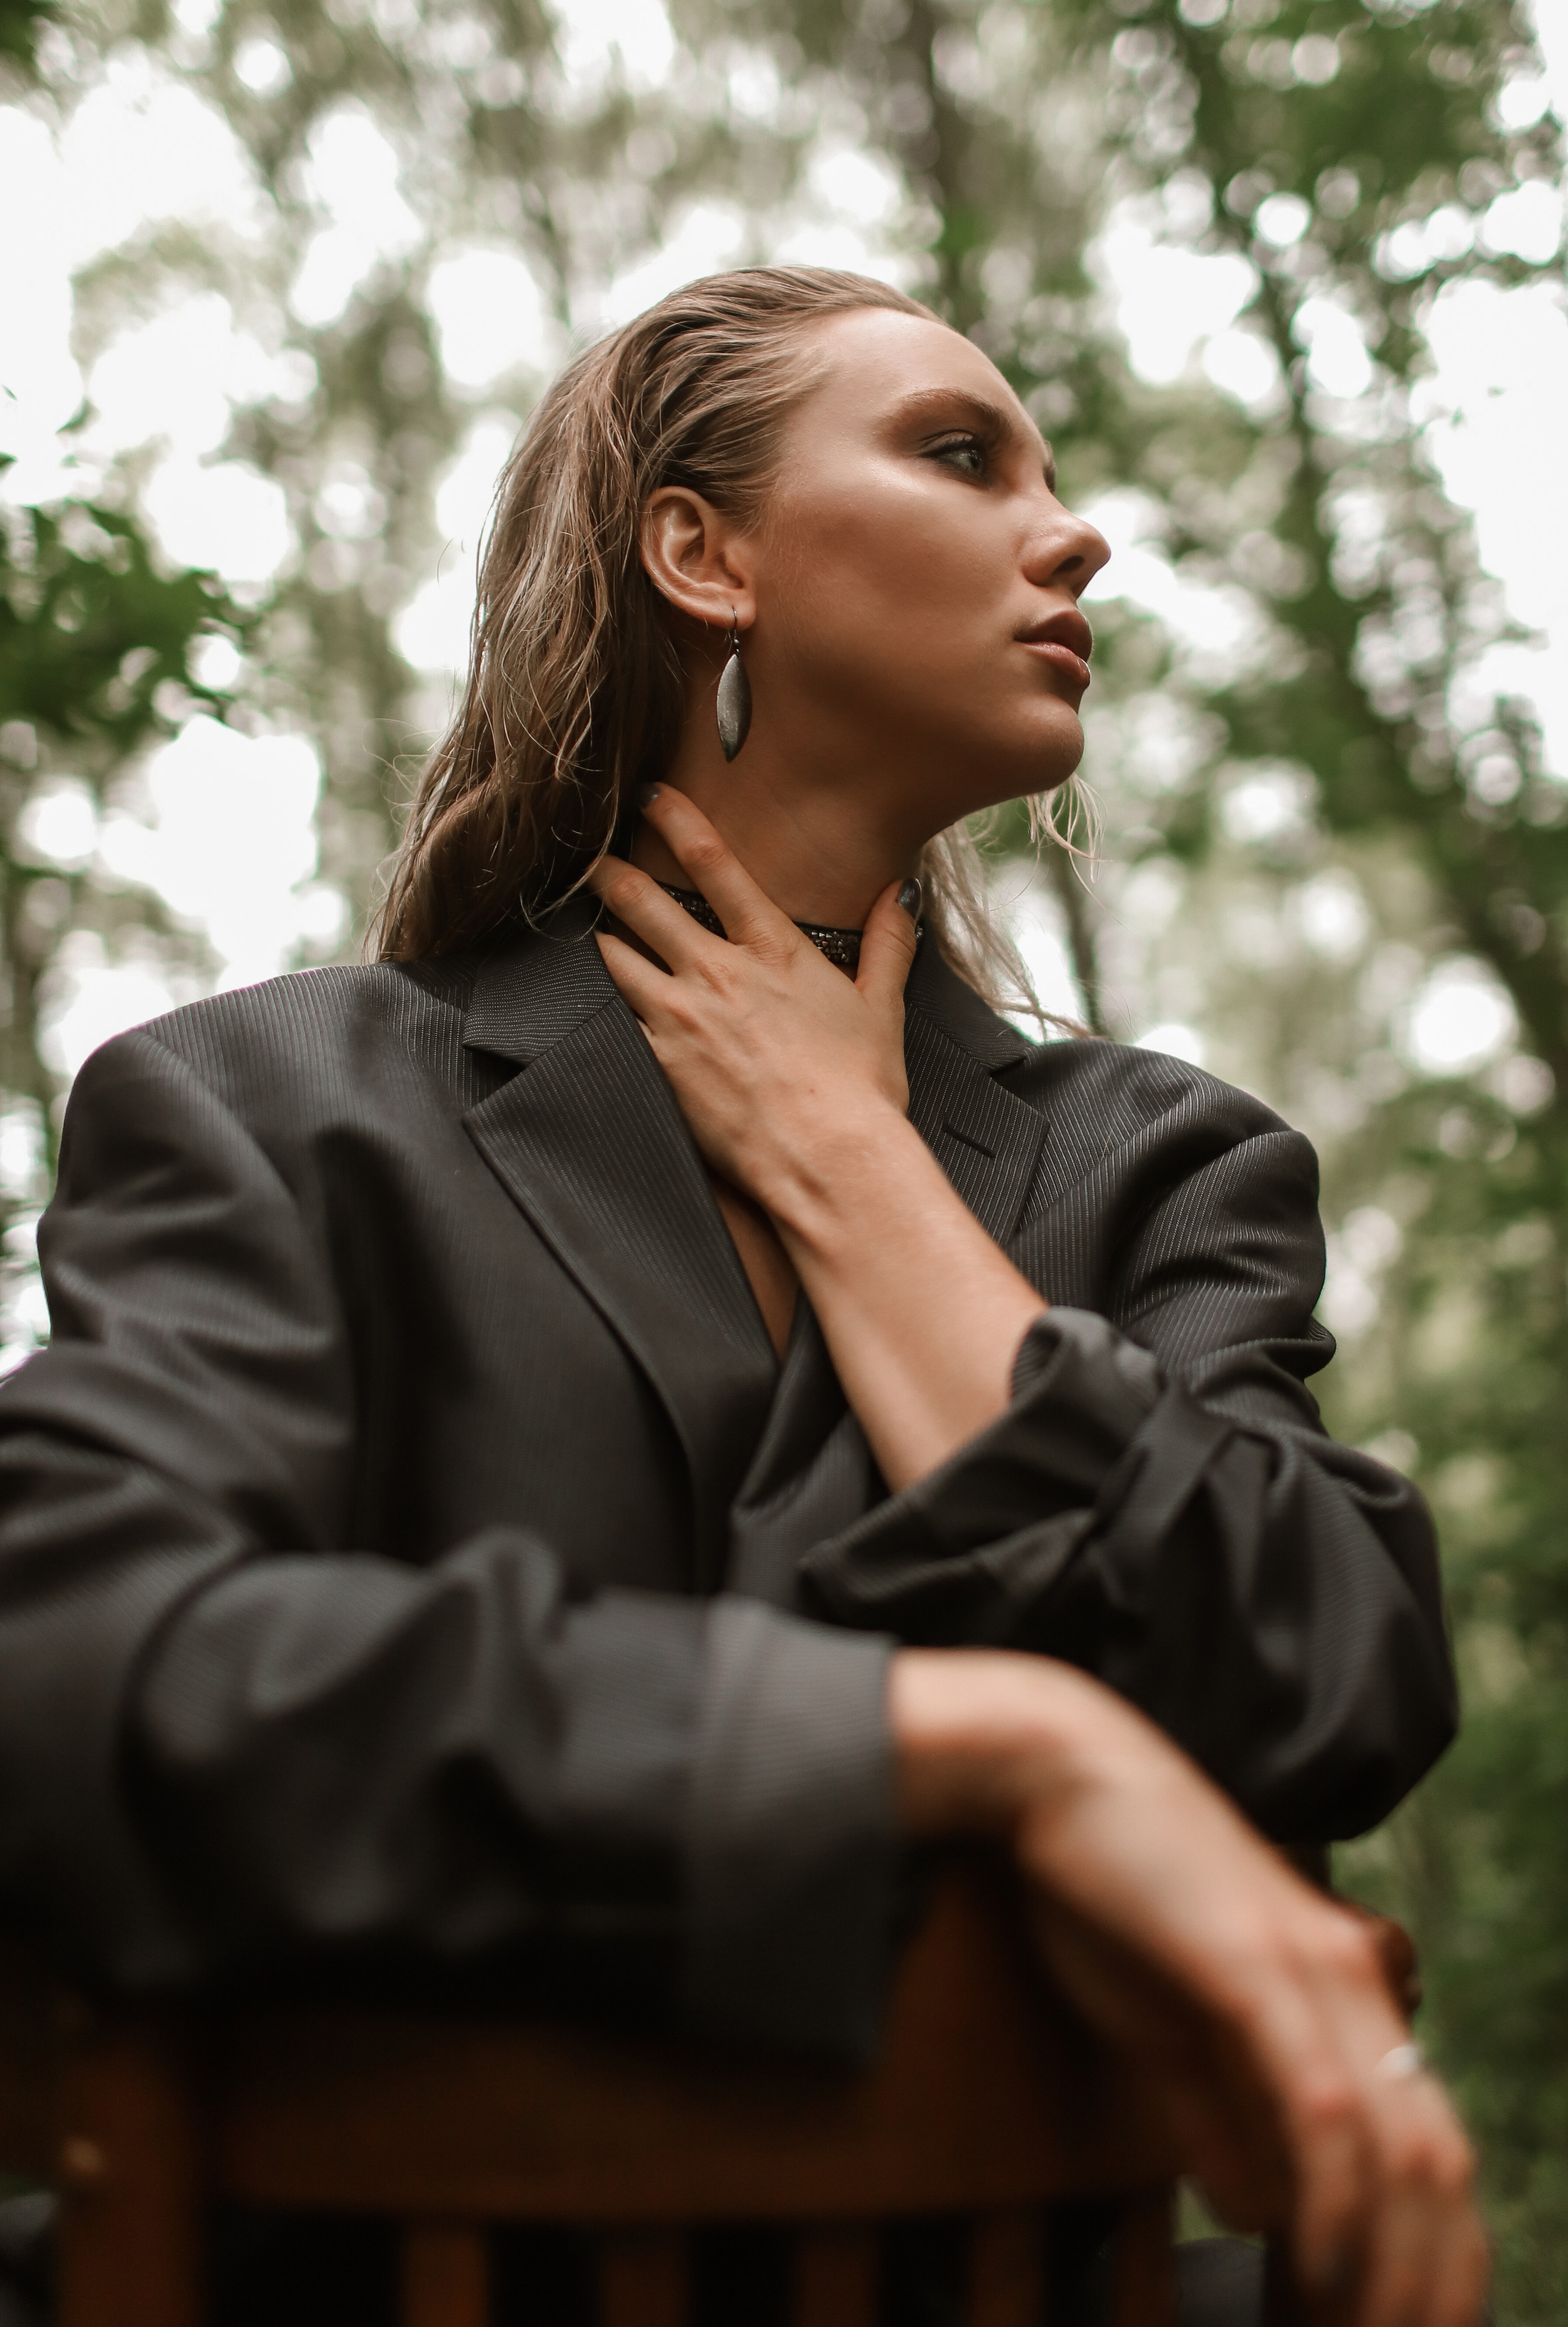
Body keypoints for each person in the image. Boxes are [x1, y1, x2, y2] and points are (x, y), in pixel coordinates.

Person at [0, 267, 1487, 2327]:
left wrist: (858, 1173)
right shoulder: (271, 1110)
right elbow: (72, 1665)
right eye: (961, 455)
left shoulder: (1162, 1166)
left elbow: (1333, 1670)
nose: (1075, 534)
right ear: (704, 555)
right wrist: (975, 1746)